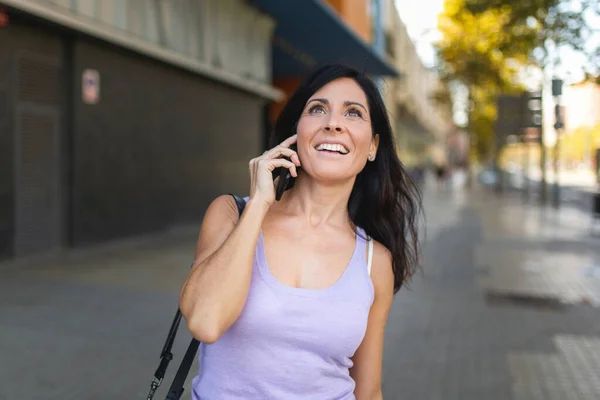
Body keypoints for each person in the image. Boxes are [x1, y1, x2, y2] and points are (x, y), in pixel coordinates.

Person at [179, 64, 422, 400]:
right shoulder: (231, 214)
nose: (333, 123)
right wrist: (260, 204)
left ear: (372, 147)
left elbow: (369, 391)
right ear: (297, 131)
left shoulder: (374, 261)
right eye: (317, 109)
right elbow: (205, 322)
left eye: (353, 113)